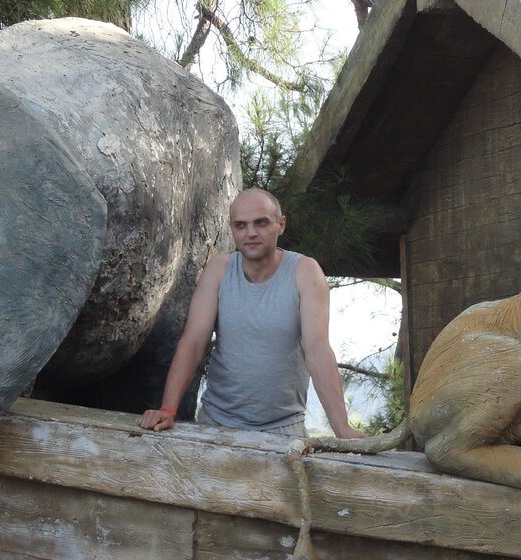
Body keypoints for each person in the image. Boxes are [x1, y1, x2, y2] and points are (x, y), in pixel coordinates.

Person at [139, 187, 365, 439]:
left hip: (283, 427)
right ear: (232, 228)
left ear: (281, 225)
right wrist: (168, 409)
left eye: (261, 223)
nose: (251, 233)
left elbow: (318, 350)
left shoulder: (305, 272)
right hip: (217, 422)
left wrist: (342, 429)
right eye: (241, 225)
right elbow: (193, 342)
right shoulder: (219, 270)